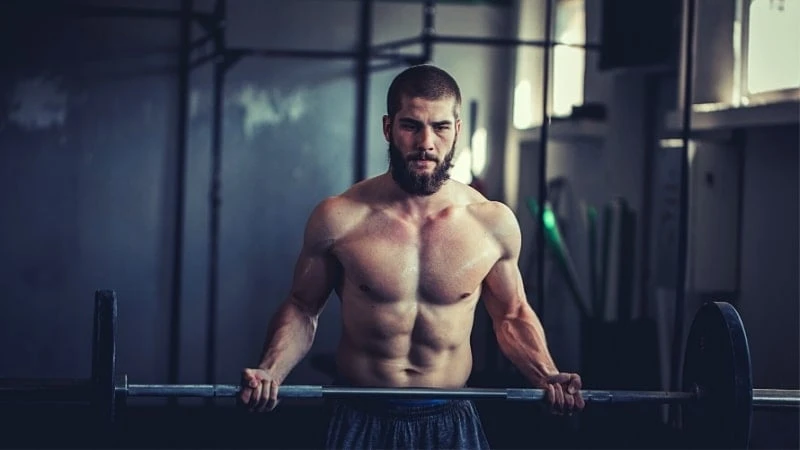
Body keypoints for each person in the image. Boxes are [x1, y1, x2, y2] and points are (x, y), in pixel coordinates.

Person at [238, 64, 584, 449]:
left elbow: (511, 315)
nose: (426, 142)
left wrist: (546, 374)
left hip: (449, 418)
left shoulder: (492, 223)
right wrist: (271, 370)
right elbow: (303, 308)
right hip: (361, 414)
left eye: (440, 127)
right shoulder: (339, 217)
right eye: (411, 126)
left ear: (457, 130)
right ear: (388, 128)